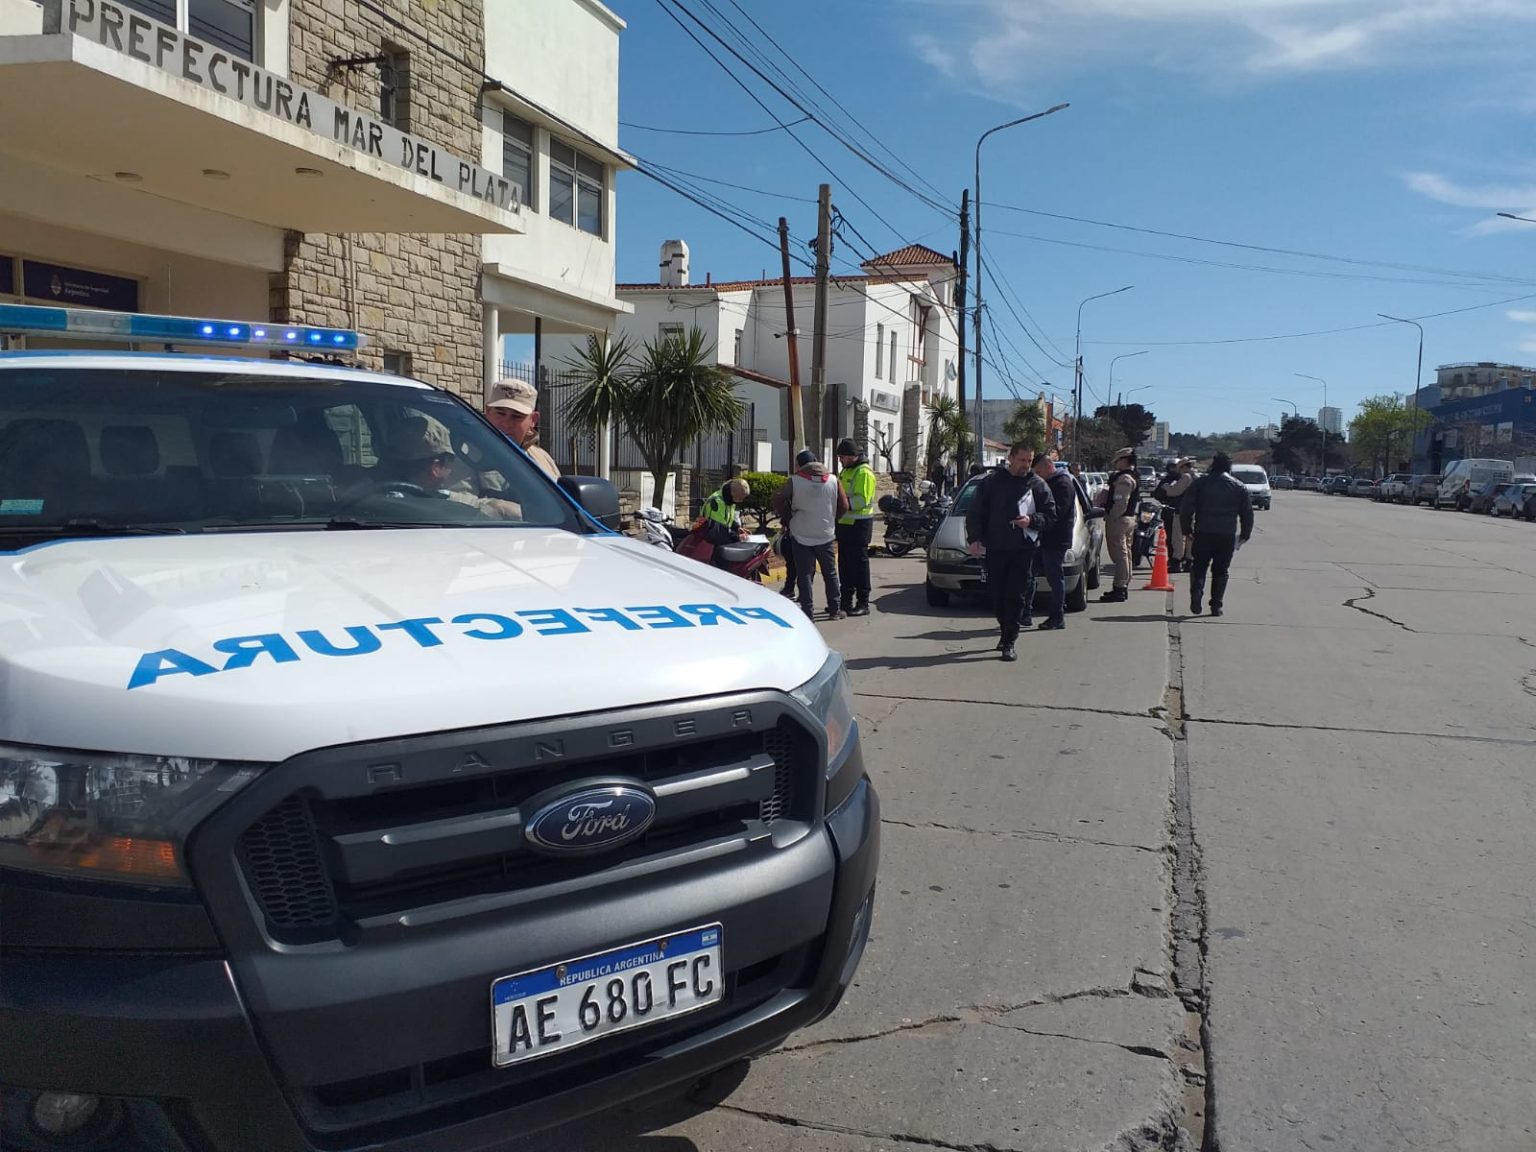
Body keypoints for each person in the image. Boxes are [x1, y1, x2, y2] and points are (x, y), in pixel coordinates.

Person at [965, 441, 1057, 661]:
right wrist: (975, 538)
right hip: (996, 547)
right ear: (1011, 458)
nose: (1026, 465)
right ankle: (1004, 628)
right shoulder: (992, 482)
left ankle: (1009, 641)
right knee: (997, 595)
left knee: (1015, 595)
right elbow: (976, 512)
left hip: (1023, 549)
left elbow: (1051, 516)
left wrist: (1032, 520)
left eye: (1029, 460)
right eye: (1022, 460)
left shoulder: (1037, 485)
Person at [382, 416, 521, 519]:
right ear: (435, 468)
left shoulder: (369, 495)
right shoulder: (446, 511)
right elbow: (491, 509)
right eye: (451, 458)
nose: (453, 464)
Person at [772, 449, 849, 619]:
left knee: (804, 573)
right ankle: (835, 610)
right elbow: (844, 505)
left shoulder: (795, 481)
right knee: (830, 573)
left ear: (799, 464)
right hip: (825, 534)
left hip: (801, 533)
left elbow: (778, 497)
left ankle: (808, 611)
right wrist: (832, 519)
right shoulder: (834, 480)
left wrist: (789, 517)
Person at [1180, 452, 1253, 618]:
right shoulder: (1238, 486)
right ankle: (1216, 605)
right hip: (1226, 534)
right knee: (1221, 570)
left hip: (1203, 531)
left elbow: (1187, 509)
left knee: (1199, 566)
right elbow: (1247, 513)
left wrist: (1186, 529)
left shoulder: (1200, 483)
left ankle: (1197, 592)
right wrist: (1245, 533)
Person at [1031, 450, 1079, 631]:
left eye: (1039, 472)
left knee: (1054, 578)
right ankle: (1025, 613)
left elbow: (1056, 513)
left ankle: (1057, 616)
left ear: (1049, 467)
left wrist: (1036, 519)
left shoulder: (1063, 484)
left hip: (1056, 539)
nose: (1038, 477)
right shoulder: (1049, 483)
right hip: (1043, 537)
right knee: (1030, 574)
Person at [486, 377, 560, 481]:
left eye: (517, 416)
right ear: (488, 412)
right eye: (500, 413)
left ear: (533, 420)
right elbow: (460, 496)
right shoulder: (467, 456)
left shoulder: (544, 459)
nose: (506, 423)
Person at [835, 437, 877, 616]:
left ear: (852, 456)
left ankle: (863, 603)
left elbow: (862, 500)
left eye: (842, 457)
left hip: (859, 525)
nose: (840, 460)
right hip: (844, 524)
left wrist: (842, 505)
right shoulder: (846, 471)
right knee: (844, 565)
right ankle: (845, 602)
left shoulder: (863, 472)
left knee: (859, 565)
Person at [1098, 447, 1140, 603]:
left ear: (1124, 460)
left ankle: (1120, 588)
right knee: (1125, 553)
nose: (1116, 464)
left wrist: (1112, 516)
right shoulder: (1130, 476)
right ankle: (1122, 586)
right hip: (1127, 519)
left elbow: (1121, 502)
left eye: (1117, 461)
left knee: (1120, 555)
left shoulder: (1124, 479)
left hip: (1120, 520)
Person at [1154, 457, 1196, 572]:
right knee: (1190, 538)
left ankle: (1176, 562)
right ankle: (1189, 562)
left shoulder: (1186, 477)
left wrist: (1166, 487)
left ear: (1184, 467)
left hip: (1183, 511)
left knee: (1178, 538)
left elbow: (1174, 492)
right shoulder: (1197, 477)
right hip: (1195, 512)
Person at [698, 477, 750, 545]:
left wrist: (737, 528)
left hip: (720, 540)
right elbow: (717, 531)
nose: (741, 501)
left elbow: (726, 519)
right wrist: (737, 537)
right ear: (733, 492)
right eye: (740, 497)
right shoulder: (716, 502)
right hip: (708, 544)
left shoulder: (730, 500)